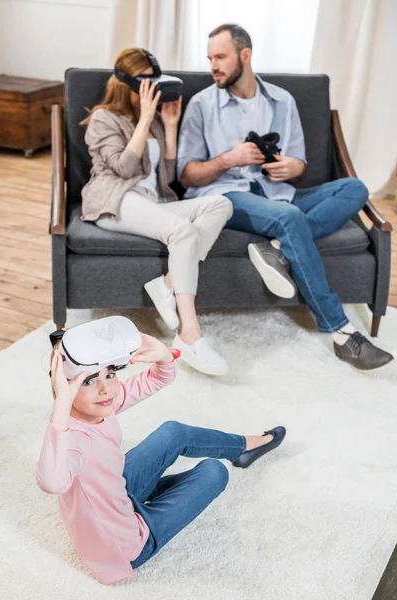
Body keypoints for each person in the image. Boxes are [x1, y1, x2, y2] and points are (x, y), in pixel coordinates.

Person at [177, 23, 393, 372]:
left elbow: (300, 163)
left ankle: (275, 249)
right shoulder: (202, 105)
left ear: (245, 55)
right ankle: (341, 332)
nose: (213, 65)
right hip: (228, 195)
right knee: (289, 219)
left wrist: (294, 167)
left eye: (220, 56)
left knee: (354, 188)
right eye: (210, 58)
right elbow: (186, 176)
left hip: (279, 193)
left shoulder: (282, 100)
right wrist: (228, 160)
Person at [36, 326, 286, 585]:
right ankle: (155, 503)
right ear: (63, 387)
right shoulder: (71, 438)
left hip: (117, 496)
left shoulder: (100, 407)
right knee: (214, 471)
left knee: (172, 432)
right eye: (88, 380)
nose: (106, 389)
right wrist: (61, 406)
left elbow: (154, 379)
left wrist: (163, 356)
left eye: (110, 374)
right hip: (124, 544)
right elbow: (51, 483)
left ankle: (243, 448)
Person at [81, 48, 234, 376]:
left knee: (220, 204)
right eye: (147, 83)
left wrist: (170, 125)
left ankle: (167, 283)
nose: (154, 89)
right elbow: (123, 168)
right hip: (115, 199)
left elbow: (168, 177)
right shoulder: (103, 118)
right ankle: (189, 333)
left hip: (151, 201)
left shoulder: (155, 121)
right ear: (129, 85)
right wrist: (147, 118)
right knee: (183, 231)